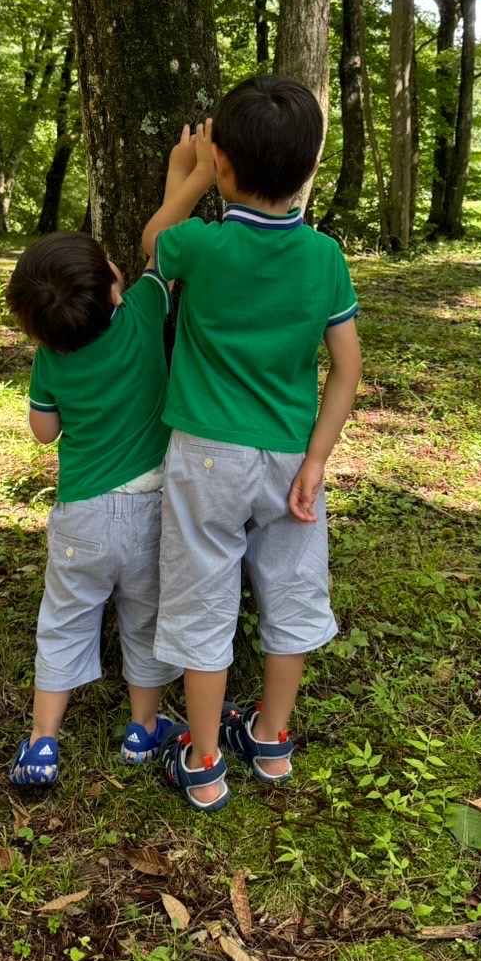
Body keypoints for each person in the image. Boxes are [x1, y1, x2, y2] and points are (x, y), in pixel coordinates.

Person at [141, 75, 363, 811]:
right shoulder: (325, 257)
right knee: (291, 590)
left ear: (225, 165)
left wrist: (190, 176)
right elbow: (347, 368)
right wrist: (320, 455)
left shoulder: (199, 246)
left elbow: (151, 242)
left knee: (204, 600)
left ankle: (203, 761)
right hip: (292, 457)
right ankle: (270, 738)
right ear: (307, 171)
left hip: (205, 455)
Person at [5, 231, 180, 785]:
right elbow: (162, 248)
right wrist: (193, 174)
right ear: (112, 292)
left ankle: (42, 743)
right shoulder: (147, 311)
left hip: (81, 515)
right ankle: (142, 729)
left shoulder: (50, 358)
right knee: (147, 621)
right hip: (153, 511)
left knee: (63, 621)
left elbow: (42, 431)